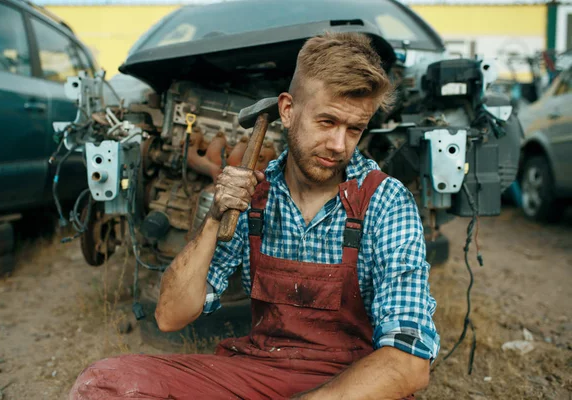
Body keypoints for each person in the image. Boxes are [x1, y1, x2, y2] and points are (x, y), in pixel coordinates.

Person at [70, 31, 440, 400]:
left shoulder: (386, 202)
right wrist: (214, 218)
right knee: (105, 383)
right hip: (259, 370)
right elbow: (170, 316)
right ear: (287, 110)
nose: (339, 145)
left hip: (355, 381)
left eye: (354, 129)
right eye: (327, 122)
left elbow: (408, 363)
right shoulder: (254, 200)